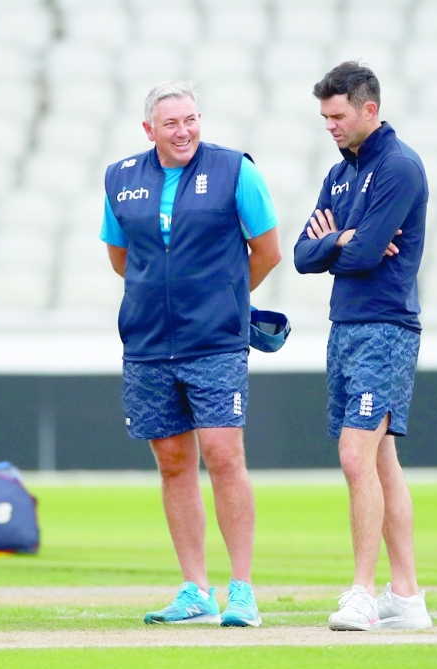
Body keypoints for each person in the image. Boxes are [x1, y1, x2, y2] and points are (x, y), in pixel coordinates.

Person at [101, 81, 282, 627]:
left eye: (191, 120)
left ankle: (243, 591)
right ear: (148, 129)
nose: (184, 131)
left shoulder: (236, 170)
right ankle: (195, 589)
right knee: (173, 465)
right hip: (149, 344)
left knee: (225, 457)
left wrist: (222, 300)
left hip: (215, 343)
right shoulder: (119, 178)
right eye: (172, 123)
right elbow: (120, 260)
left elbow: (268, 252)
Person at [293, 62, 432, 631]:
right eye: (324, 116)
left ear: (369, 110)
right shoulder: (339, 173)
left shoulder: (399, 167)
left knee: (355, 455)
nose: (329, 125)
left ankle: (362, 593)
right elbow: (302, 257)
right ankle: (408, 597)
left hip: (384, 325)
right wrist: (340, 241)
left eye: (337, 116)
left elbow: (365, 256)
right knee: (381, 462)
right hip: (345, 325)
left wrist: (339, 241)